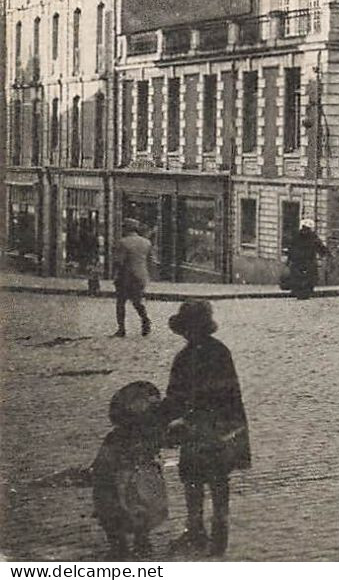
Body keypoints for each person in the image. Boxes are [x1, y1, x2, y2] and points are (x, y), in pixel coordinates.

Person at [159, 301, 250, 558]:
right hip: (211, 427)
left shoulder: (200, 356)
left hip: (208, 428)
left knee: (205, 479)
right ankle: (207, 531)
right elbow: (178, 394)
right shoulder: (207, 353)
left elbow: (182, 397)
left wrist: (166, 415)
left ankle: (207, 531)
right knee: (205, 478)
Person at [90, 381, 167, 558]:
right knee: (141, 509)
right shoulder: (151, 436)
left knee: (111, 507)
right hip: (144, 484)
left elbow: (103, 464)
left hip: (121, 483)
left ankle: (120, 547)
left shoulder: (114, 438)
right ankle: (142, 541)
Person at [110, 219, 153, 337]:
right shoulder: (146, 242)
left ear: (126, 228)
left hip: (126, 276)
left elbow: (119, 261)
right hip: (141, 276)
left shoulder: (122, 242)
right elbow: (150, 261)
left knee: (120, 303)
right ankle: (145, 321)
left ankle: (121, 329)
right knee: (137, 301)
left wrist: (115, 274)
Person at [282, 221, 328, 299]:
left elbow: (291, 248)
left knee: (299, 276)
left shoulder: (296, 236)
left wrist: (289, 260)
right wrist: (324, 253)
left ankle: (299, 291)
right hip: (307, 260)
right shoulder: (312, 236)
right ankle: (305, 291)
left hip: (299, 260)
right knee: (309, 276)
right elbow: (320, 246)